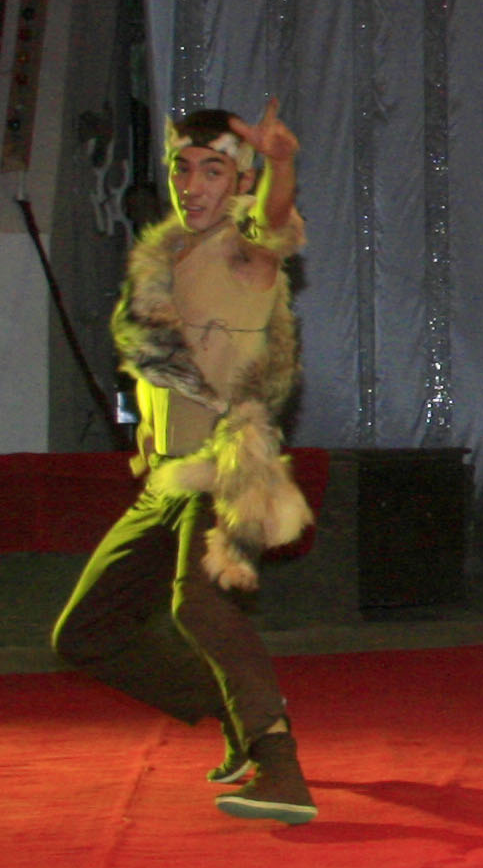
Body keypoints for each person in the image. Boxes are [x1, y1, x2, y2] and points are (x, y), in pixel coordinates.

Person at [52, 103, 321, 825]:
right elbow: (159, 367)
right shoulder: (163, 255)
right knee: (85, 633)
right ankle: (233, 713)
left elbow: (274, 222)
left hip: (226, 466)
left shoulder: (243, 246)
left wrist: (281, 164)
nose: (193, 185)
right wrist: (146, 432)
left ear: (240, 183)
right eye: (183, 168)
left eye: (214, 171)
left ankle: (280, 767)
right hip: (167, 480)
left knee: (197, 605)